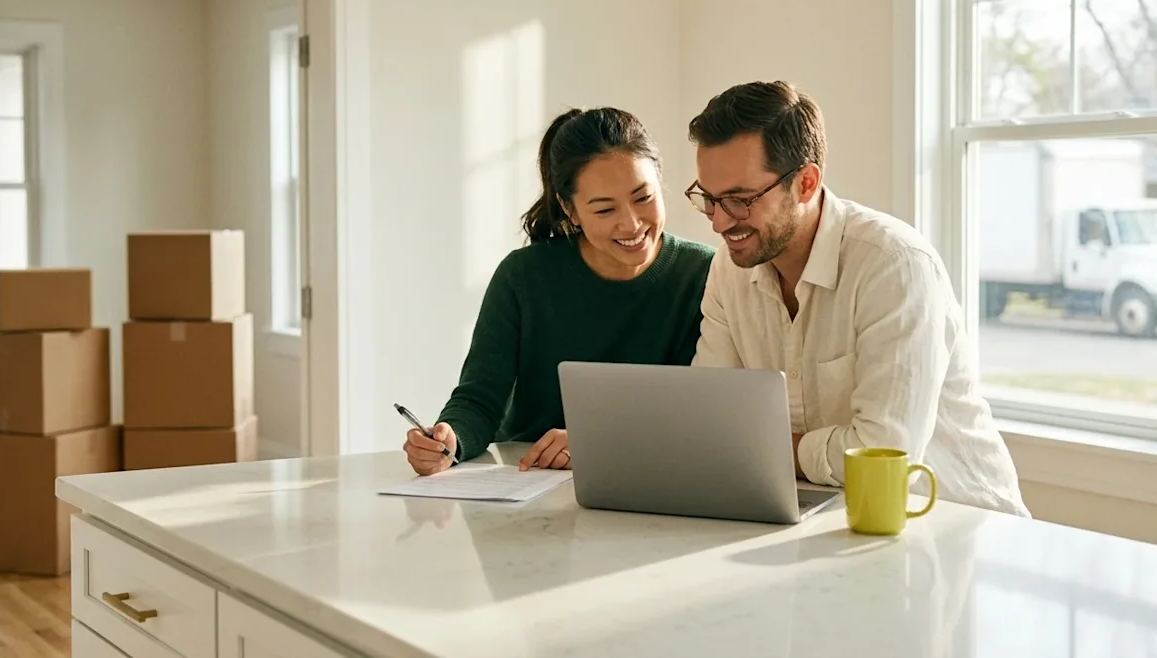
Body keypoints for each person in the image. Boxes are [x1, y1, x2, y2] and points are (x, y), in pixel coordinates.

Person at [685, 80, 1030, 516]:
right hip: (826, 522)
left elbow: (885, 452)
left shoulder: (895, 265)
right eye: (709, 199)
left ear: (806, 183)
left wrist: (763, 444)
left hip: (958, 527)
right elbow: (710, 422)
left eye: (738, 200)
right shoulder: (728, 270)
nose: (718, 223)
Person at [403, 107, 716, 476]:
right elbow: (480, 398)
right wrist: (448, 441)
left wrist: (594, 440)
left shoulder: (705, 274)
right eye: (604, 209)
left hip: (650, 476)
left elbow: (695, 411)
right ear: (570, 210)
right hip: (525, 480)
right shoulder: (522, 276)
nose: (631, 222)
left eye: (643, 197)